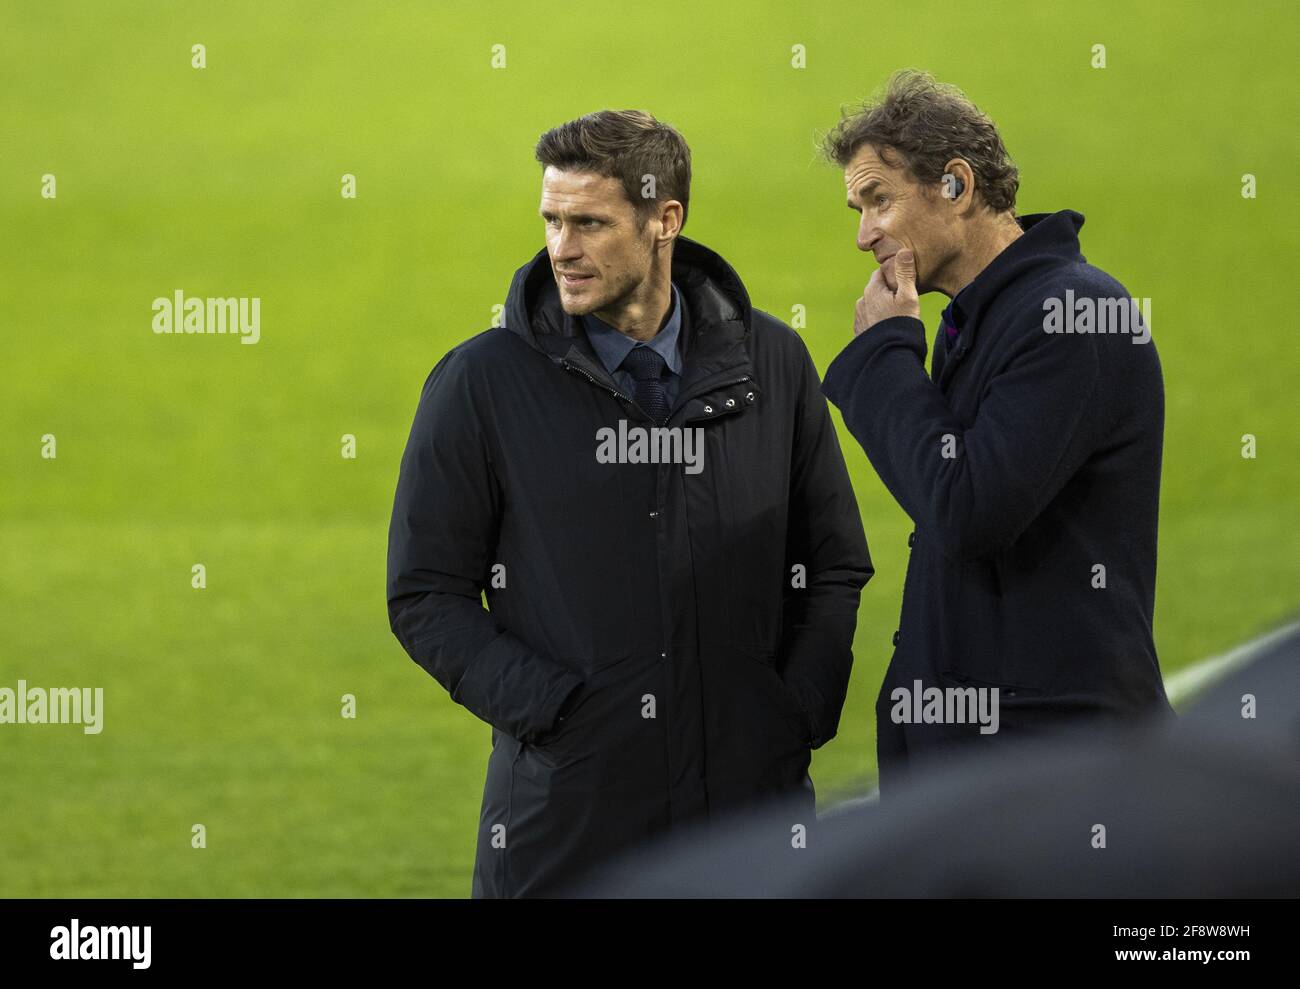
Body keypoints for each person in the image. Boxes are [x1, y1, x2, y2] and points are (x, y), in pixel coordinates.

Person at [387, 109, 873, 896]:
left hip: (750, 817)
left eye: (589, 222)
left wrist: (794, 711)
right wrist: (557, 714)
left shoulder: (773, 362)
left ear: (664, 221)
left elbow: (833, 562)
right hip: (567, 822)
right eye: (551, 219)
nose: (561, 248)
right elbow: (424, 592)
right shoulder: (482, 383)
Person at [818, 71, 1173, 790]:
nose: (863, 235)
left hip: (1054, 769)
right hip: (983, 755)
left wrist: (885, 358)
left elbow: (967, 509)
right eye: (858, 209)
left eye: (878, 200)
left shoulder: (1072, 315)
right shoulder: (981, 320)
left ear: (956, 184)